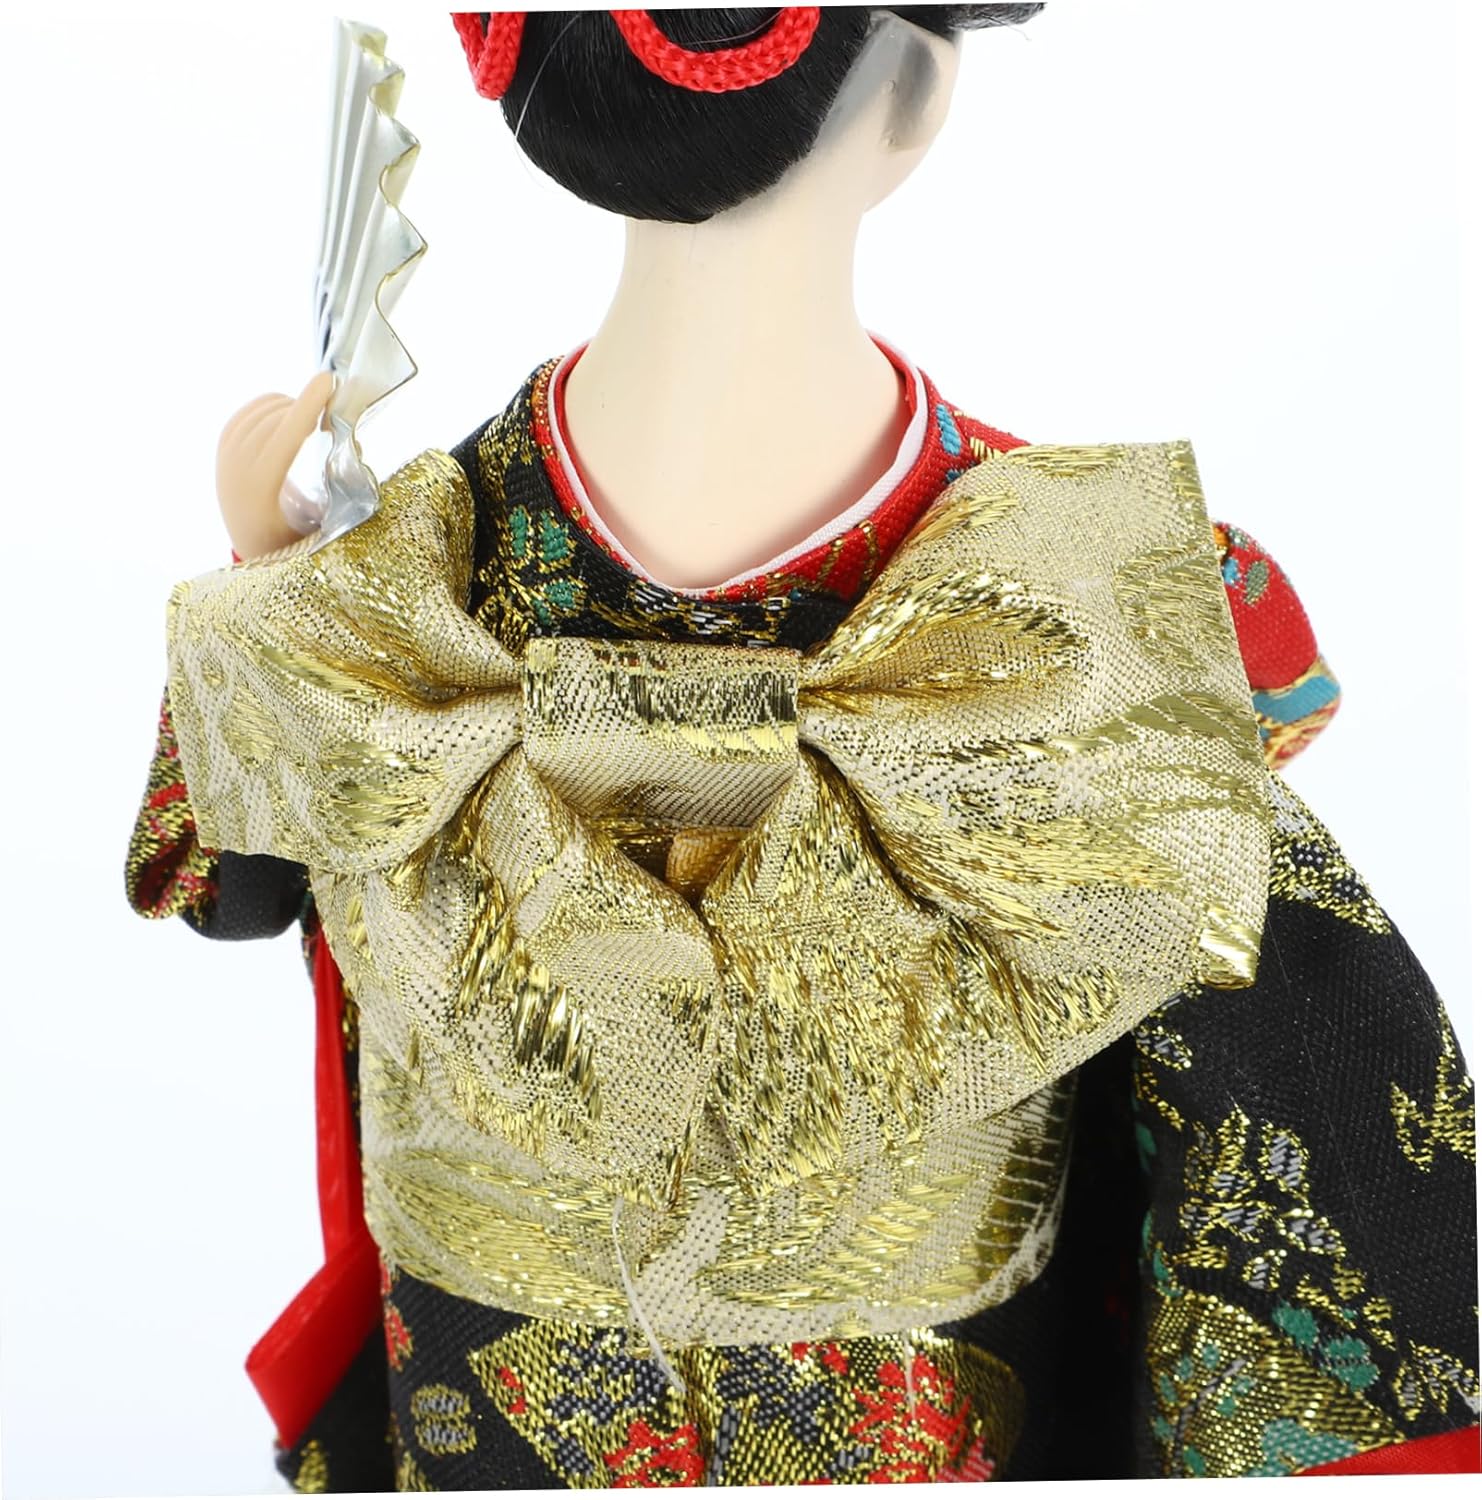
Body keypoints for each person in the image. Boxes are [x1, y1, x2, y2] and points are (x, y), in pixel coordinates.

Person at [127, 8, 1477, 1488]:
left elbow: (231, 882)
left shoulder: (398, 593)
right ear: (916, 91)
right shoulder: (1079, 601)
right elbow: (1243, 798)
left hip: (558, 1390)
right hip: (816, 1402)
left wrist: (273, 594)